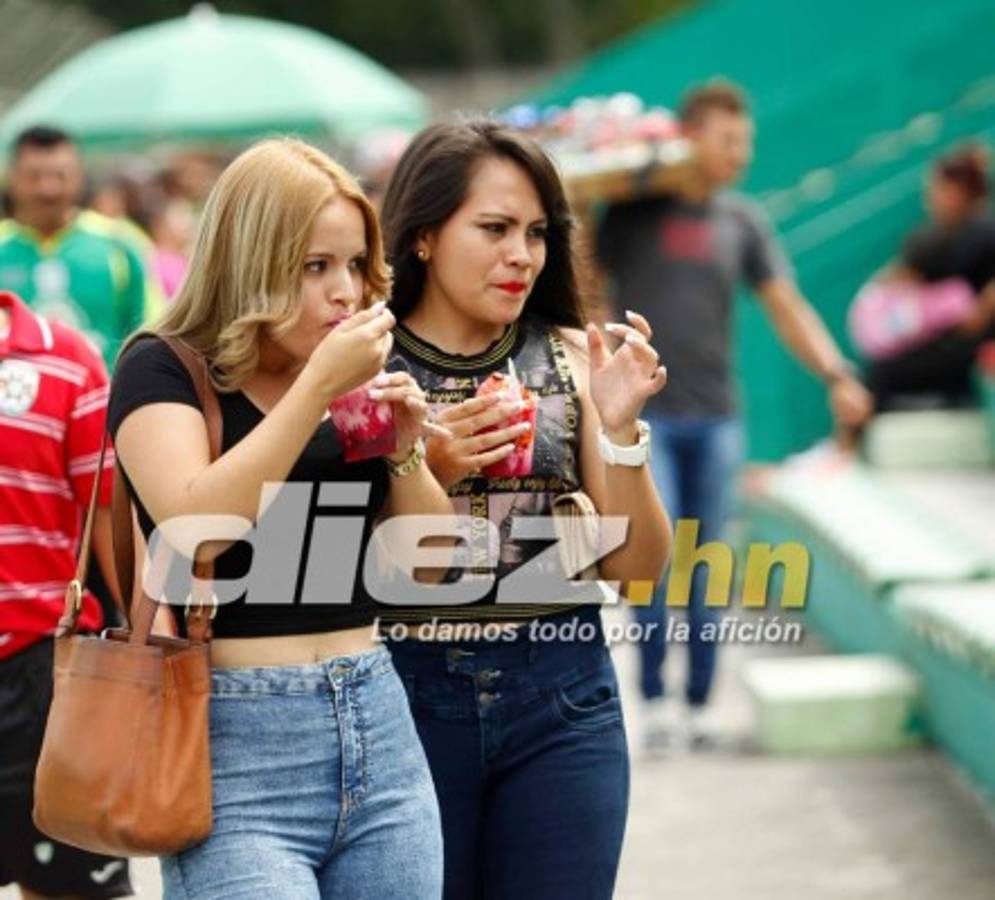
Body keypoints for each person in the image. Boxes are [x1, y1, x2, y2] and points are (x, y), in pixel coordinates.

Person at [107, 138, 451, 899]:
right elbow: (198, 528)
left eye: (355, 265)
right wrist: (314, 390)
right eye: (314, 266)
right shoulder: (163, 366)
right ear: (250, 261)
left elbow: (426, 569)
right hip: (234, 746)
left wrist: (406, 453)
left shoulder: (355, 371)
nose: (344, 292)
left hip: (377, 721)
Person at [378, 119, 672, 900]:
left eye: (537, 232)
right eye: (494, 228)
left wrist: (620, 432)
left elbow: (638, 568)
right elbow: (336, 563)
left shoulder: (574, 357)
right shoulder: (362, 364)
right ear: (423, 236)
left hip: (563, 694)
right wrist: (425, 465)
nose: (522, 255)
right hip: (402, 695)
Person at [595, 79, 873, 749]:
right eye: (728, 140)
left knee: (708, 564)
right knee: (652, 562)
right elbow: (586, 292)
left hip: (718, 417)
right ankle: (654, 702)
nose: (740, 153)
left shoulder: (741, 222)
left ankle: (698, 706)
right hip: (648, 420)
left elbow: (785, 305)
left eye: (745, 141)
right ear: (689, 137)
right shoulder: (627, 215)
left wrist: (836, 373)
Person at [0, 292, 133, 899]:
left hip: (43, 675)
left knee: (69, 890)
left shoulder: (67, 360)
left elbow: (109, 514)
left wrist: (149, 647)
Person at [0, 126, 155, 368]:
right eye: (34, 176)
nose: (48, 188)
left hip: (105, 391)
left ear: (80, 177)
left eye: (60, 176)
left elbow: (152, 333)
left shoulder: (120, 245)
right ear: (12, 178)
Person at [863, 145, 995, 410]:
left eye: (939, 189)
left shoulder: (981, 231)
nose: (931, 198)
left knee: (882, 375)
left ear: (959, 190)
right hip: (955, 338)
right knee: (879, 371)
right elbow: (899, 275)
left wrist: (982, 310)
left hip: (974, 343)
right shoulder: (944, 235)